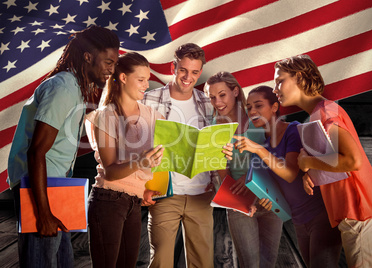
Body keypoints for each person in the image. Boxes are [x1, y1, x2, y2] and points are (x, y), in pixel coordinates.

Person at [7, 25, 120, 267]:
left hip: (56, 186)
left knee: (61, 260)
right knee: (40, 261)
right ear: (88, 56)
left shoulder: (75, 86)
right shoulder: (64, 87)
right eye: (108, 62)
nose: (112, 69)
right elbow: (37, 151)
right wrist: (44, 213)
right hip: (40, 189)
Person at [273, 54, 372, 267]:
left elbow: (351, 161)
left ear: (300, 78)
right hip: (357, 219)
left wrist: (309, 163)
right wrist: (309, 174)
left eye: (279, 81)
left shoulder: (326, 113)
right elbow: (333, 163)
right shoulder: (315, 116)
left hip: (362, 217)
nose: (275, 89)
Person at [141, 43, 232, 267]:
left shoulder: (207, 103)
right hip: (164, 194)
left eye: (194, 72)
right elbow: (135, 146)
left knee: (202, 262)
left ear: (200, 72)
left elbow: (216, 145)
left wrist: (225, 151)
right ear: (174, 67)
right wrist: (141, 186)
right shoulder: (149, 100)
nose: (187, 77)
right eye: (183, 70)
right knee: (161, 261)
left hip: (201, 193)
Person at [233, 85, 342, 267]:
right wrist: (265, 201)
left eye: (258, 105)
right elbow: (277, 187)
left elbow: (291, 173)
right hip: (298, 221)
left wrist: (258, 149)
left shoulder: (294, 130)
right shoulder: (265, 146)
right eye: (249, 107)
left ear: (275, 107)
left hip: (320, 216)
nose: (252, 111)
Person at [85, 52, 165, 267]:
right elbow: (110, 171)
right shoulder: (107, 115)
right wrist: (141, 162)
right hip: (108, 200)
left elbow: (164, 159)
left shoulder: (154, 116)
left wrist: (146, 186)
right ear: (122, 78)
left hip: (135, 201)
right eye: (141, 80)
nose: (146, 85)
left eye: (147, 80)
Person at [204, 72, 283, 267]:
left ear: (235, 91)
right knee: (249, 263)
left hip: (269, 197)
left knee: (269, 263)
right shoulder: (214, 128)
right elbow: (223, 174)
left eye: (222, 95)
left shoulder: (257, 115)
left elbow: (276, 154)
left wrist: (252, 180)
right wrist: (242, 202)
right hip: (240, 201)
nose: (217, 102)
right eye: (212, 97)